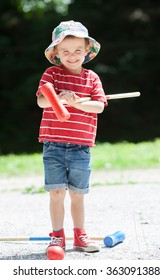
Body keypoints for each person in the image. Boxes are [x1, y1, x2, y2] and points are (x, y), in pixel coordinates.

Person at [36, 20, 107, 253]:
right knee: (57, 193)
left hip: (81, 147)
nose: (72, 56)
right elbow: (41, 100)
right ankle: (57, 237)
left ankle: (80, 236)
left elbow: (99, 106)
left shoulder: (92, 79)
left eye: (78, 50)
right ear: (56, 52)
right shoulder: (52, 75)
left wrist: (78, 102)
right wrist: (59, 99)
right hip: (53, 145)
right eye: (65, 51)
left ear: (87, 50)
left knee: (77, 194)